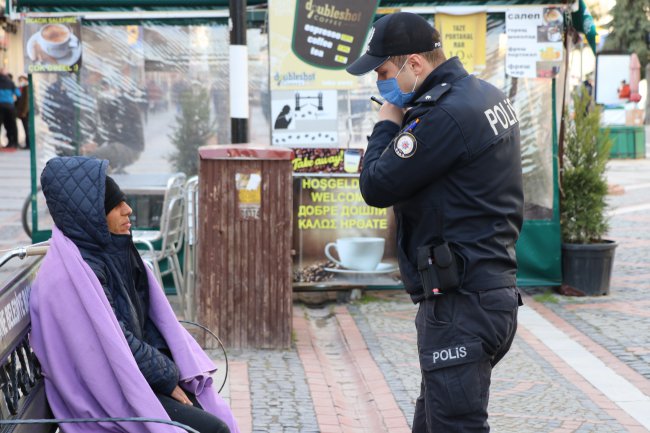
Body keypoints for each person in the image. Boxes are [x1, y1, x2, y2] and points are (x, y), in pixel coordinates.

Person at [346, 12, 523, 432]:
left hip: (461, 304)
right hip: (487, 293)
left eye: (384, 72)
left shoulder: (444, 116)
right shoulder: (483, 95)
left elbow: (376, 184)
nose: (380, 85)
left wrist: (386, 124)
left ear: (415, 64)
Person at [31, 156, 240, 433]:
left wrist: (172, 370)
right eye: (115, 206)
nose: (128, 210)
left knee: (209, 415)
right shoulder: (73, 276)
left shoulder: (108, 254)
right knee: (214, 430)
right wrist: (168, 376)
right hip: (111, 398)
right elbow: (118, 344)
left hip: (135, 378)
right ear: (92, 215)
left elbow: (142, 326)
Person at [81, 79, 144, 172]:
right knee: (97, 160)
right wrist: (94, 143)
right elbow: (107, 130)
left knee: (89, 157)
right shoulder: (116, 106)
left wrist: (95, 144)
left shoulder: (123, 106)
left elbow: (111, 130)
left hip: (129, 149)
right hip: (124, 147)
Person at [0, 70, 20, 149]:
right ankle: (13, 143)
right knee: (12, 125)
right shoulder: (11, 83)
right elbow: (18, 94)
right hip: (10, 106)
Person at [15, 75, 30, 149]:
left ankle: (28, 145)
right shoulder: (22, 88)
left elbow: (26, 101)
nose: (20, 82)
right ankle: (28, 144)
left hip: (26, 112)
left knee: (27, 128)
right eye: (19, 80)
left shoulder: (26, 88)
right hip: (24, 112)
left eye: (22, 80)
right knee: (26, 128)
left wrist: (24, 112)